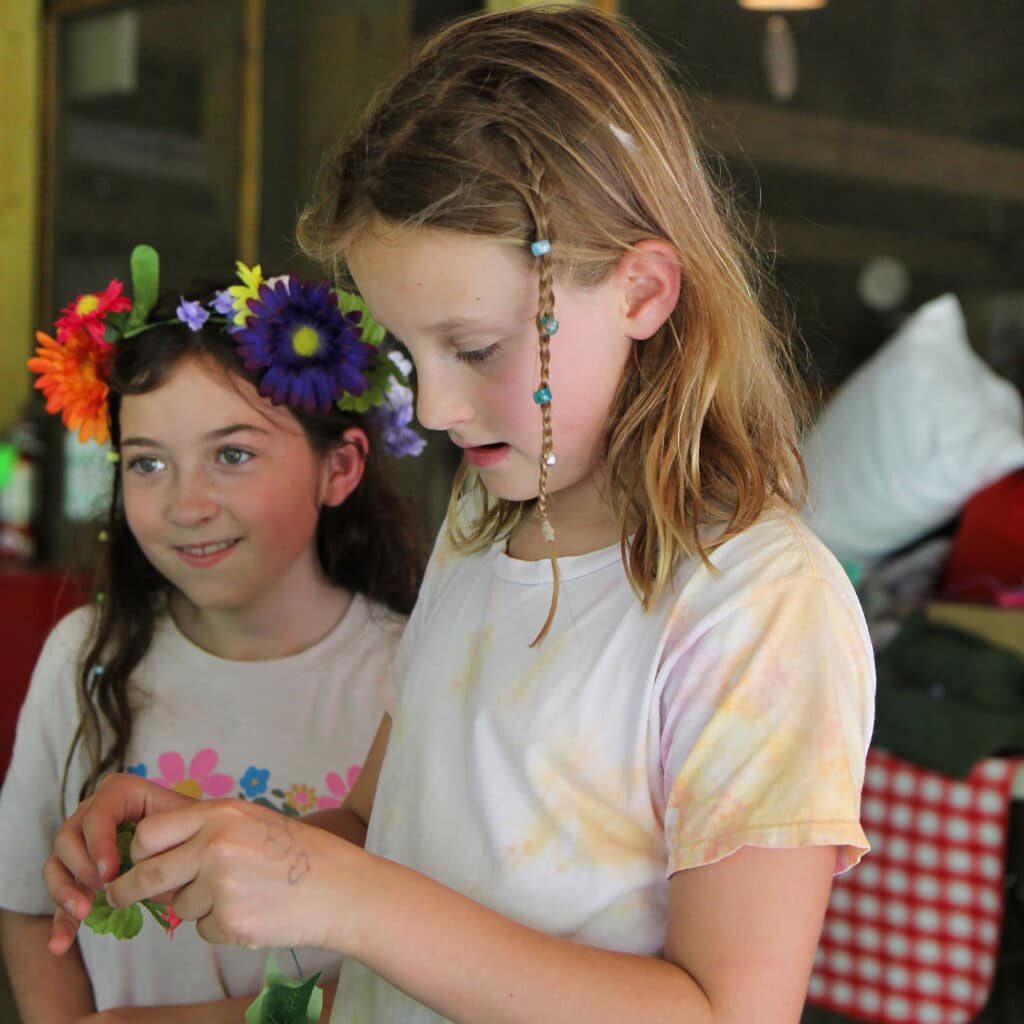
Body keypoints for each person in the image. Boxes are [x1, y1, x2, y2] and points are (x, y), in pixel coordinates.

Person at [43, 8, 876, 1022]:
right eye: (407, 353)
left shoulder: (760, 603)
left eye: (475, 349)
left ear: (642, 290)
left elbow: (726, 1010)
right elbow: (384, 833)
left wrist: (341, 893)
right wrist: (232, 840)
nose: (433, 408)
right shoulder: (485, 522)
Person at [0, 248, 425, 1023]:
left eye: (232, 455)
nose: (185, 505)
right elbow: (28, 903)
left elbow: (436, 969)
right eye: (147, 464)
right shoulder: (83, 657)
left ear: (341, 467)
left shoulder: (413, 678)